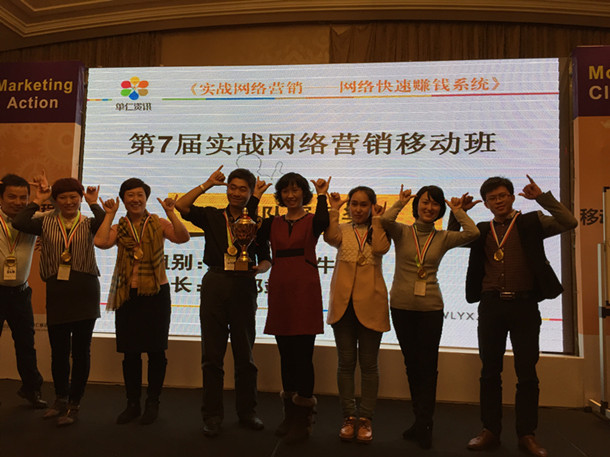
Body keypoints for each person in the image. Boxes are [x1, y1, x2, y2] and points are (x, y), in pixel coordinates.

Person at [452, 176, 577, 457]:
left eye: (502, 196)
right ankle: (490, 431)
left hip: (525, 305)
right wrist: (458, 212)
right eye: (492, 198)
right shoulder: (480, 230)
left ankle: (527, 434)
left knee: (527, 372)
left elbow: (569, 221)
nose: (498, 201)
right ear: (486, 204)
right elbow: (451, 239)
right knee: (489, 372)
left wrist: (542, 197)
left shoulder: (532, 222)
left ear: (511, 197)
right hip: (491, 306)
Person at [380, 184, 479, 449]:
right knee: (412, 365)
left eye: (435, 203)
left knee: (427, 367)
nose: (429, 207)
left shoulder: (443, 237)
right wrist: (400, 202)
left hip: (431, 310)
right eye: (425, 202)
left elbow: (473, 233)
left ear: (440, 210)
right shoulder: (402, 232)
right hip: (401, 307)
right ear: (417, 206)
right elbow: (385, 221)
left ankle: (426, 423)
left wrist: (457, 211)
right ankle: (419, 420)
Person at [175, 166, 271, 438]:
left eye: (243, 189)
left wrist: (261, 268)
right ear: (227, 188)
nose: (236, 193)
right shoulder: (212, 216)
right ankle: (212, 415)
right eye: (232, 187)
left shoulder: (257, 222)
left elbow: (266, 257)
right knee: (212, 356)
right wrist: (207, 184)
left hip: (244, 285)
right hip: (215, 283)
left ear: (251, 193)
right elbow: (182, 206)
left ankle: (247, 412)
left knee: (245, 355)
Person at [94, 178, 190, 425]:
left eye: (140, 195)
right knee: (131, 353)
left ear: (146, 199)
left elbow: (183, 237)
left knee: (156, 352)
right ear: (123, 199)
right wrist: (109, 215)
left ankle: (152, 402)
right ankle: (132, 403)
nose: (135, 199)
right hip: (128, 294)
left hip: (156, 294)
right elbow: (101, 242)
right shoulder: (120, 226)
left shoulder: (158, 222)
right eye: (130, 195)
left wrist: (171, 213)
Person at [14, 175, 105, 426]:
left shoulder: (88, 222)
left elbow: (104, 222)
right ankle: (60, 399)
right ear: (55, 200)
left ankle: (75, 403)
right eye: (62, 197)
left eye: (73, 197)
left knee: (81, 352)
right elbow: (20, 222)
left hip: (85, 291)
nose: (68, 202)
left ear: (79, 198)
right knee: (59, 351)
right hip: (57, 292)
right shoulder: (45, 222)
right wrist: (38, 199)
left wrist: (93, 202)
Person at [254, 172, 330, 444]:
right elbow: (247, 227)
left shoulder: (313, 220)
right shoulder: (272, 223)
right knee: (285, 355)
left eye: (296, 190)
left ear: (303, 193)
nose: (291, 195)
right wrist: (255, 197)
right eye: (286, 191)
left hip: (305, 289)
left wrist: (322, 195)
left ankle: (303, 417)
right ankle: (289, 415)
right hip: (280, 288)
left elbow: (324, 221)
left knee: (303, 355)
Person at [324, 186, 390, 444]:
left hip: (371, 305)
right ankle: (349, 417)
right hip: (343, 306)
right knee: (346, 363)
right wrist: (333, 210)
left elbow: (381, 248)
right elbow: (329, 237)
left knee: (369, 365)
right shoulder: (341, 230)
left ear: (372, 206)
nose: (358, 209)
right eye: (354, 204)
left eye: (364, 204)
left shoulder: (379, 230)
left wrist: (378, 220)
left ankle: (366, 419)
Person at [0, 174, 46, 409]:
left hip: (20, 293)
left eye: (23, 198)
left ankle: (31, 389)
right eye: (12, 197)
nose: (18, 202)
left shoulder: (32, 220)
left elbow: (63, 212)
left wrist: (44, 195)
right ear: (1, 198)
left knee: (26, 344)